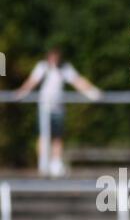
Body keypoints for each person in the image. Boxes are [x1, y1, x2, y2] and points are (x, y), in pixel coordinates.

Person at [15, 47, 102, 177]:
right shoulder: (42, 67)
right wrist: (20, 94)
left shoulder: (65, 68)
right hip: (45, 108)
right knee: (43, 136)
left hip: (58, 108)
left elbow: (78, 81)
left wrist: (93, 92)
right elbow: (32, 82)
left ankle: (55, 164)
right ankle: (43, 164)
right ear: (48, 57)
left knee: (57, 137)